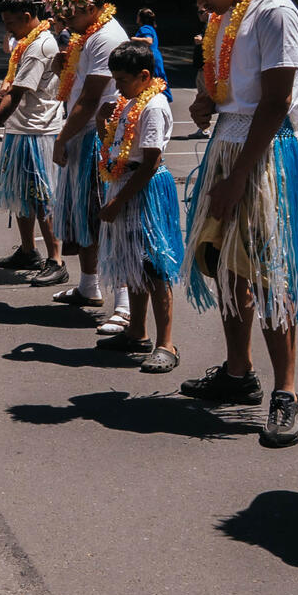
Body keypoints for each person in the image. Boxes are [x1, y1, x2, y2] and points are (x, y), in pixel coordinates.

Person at [164, 0, 298, 447]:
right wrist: (205, 104)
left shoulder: (273, 11)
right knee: (226, 265)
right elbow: (223, 85)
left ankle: (286, 393)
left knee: (271, 272)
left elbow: (275, 102)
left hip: (262, 152)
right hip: (227, 143)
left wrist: (239, 177)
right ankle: (237, 373)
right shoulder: (220, 16)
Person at [95, 41, 184, 373]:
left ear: (144, 76)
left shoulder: (154, 106)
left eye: (121, 80)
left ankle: (166, 343)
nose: (117, 86)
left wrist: (118, 201)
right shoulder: (129, 102)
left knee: (153, 266)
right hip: (125, 181)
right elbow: (120, 146)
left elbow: (149, 162)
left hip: (143, 188)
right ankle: (137, 332)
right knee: (133, 263)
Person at [44, 0, 129, 310]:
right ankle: (88, 286)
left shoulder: (105, 36)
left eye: (71, 12)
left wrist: (61, 139)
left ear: (93, 6)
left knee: (103, 217)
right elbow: (77, 85)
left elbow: (91, 98)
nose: (66, 19)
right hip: (86, 134)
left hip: (98, 136)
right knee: (85, 216)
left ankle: (124, 303)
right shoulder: (86, 36)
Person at [0, 0, 66, 285]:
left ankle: (56, 260)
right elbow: (11, 81)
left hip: (37, 130)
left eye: (11, 23)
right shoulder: (25, 43)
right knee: (21, 194)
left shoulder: (39, 46)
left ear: (28, 17)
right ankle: (28, 250)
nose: (8, 29)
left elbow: (16, 95)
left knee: (42, 197)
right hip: (22, 128)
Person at [132, 8, 171, 99]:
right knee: (158, 79)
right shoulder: (150, 28)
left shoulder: (144, 28)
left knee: (153, 80)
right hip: (155, 56)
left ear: (141, 18)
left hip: (150, 57)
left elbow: (149, 41)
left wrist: (133, 39)